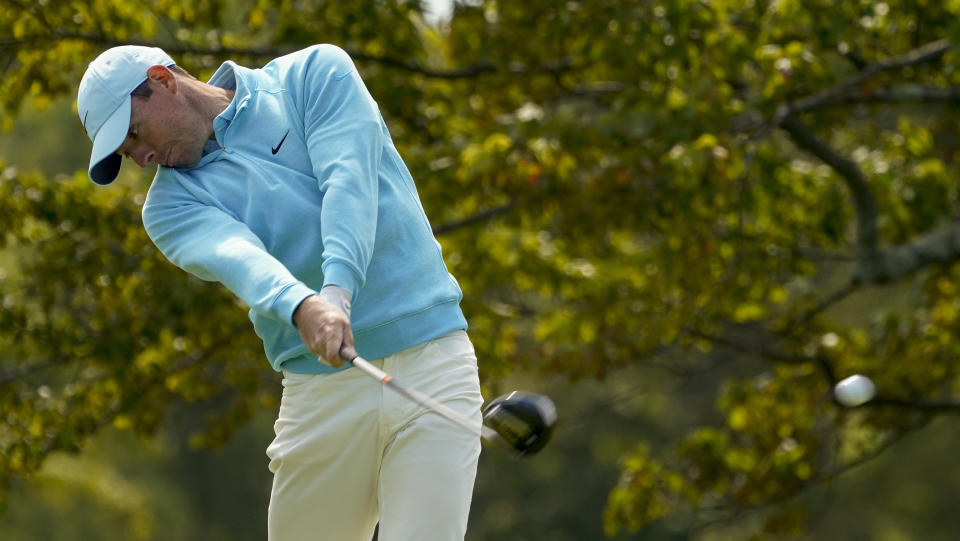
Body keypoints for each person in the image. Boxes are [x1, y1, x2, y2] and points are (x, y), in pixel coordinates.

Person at [77, 44, 484, 541]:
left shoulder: (314, 74)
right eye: (125, 154)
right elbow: (242, 260)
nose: (139, 158)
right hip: (322, 392)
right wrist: (304, 305)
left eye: (134, 134)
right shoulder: (168, 208)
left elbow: (348, 180)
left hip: (433, 361)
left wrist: (336, 293)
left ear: (163, 79)